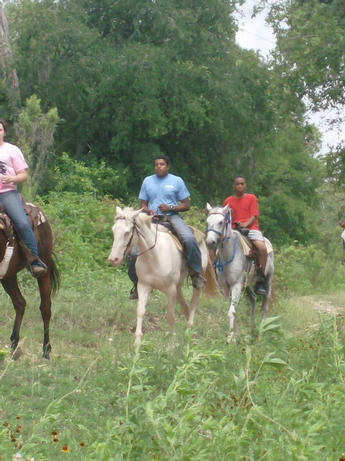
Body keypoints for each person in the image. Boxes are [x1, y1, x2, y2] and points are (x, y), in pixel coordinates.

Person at [128, 155, 205, 299]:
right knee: (134, 251)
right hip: (151, 219)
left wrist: (170, 207)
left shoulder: (177, 181)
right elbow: (143, 205)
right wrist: (147, 210)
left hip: (172, 217)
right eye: (156, 164)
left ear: (167, 167)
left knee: (188, 239)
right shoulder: (147, 181)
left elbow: (186, 205)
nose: (158, 167)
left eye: (162, 164)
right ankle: (137, 283)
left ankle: (196, 274)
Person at [0, 120, 47, 277]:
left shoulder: (12, 150)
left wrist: (11, 179)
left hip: (7, 193)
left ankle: (34, 260)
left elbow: (24, 175)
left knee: (22, 222)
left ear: (4, 131)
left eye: (0, 129)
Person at [223, 175, 267, 296]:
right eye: (238, 184)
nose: (240, 186)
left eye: (242, 184)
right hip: (234, 230)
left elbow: (254, 215)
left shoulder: (251, 198)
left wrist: (245, 225)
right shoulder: (228, 201)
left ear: (245, 185)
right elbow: (225, 219)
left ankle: (261, 277)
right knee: (216, 247)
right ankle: (217, 274)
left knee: (262, 248)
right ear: (234, 186)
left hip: (251, 228)